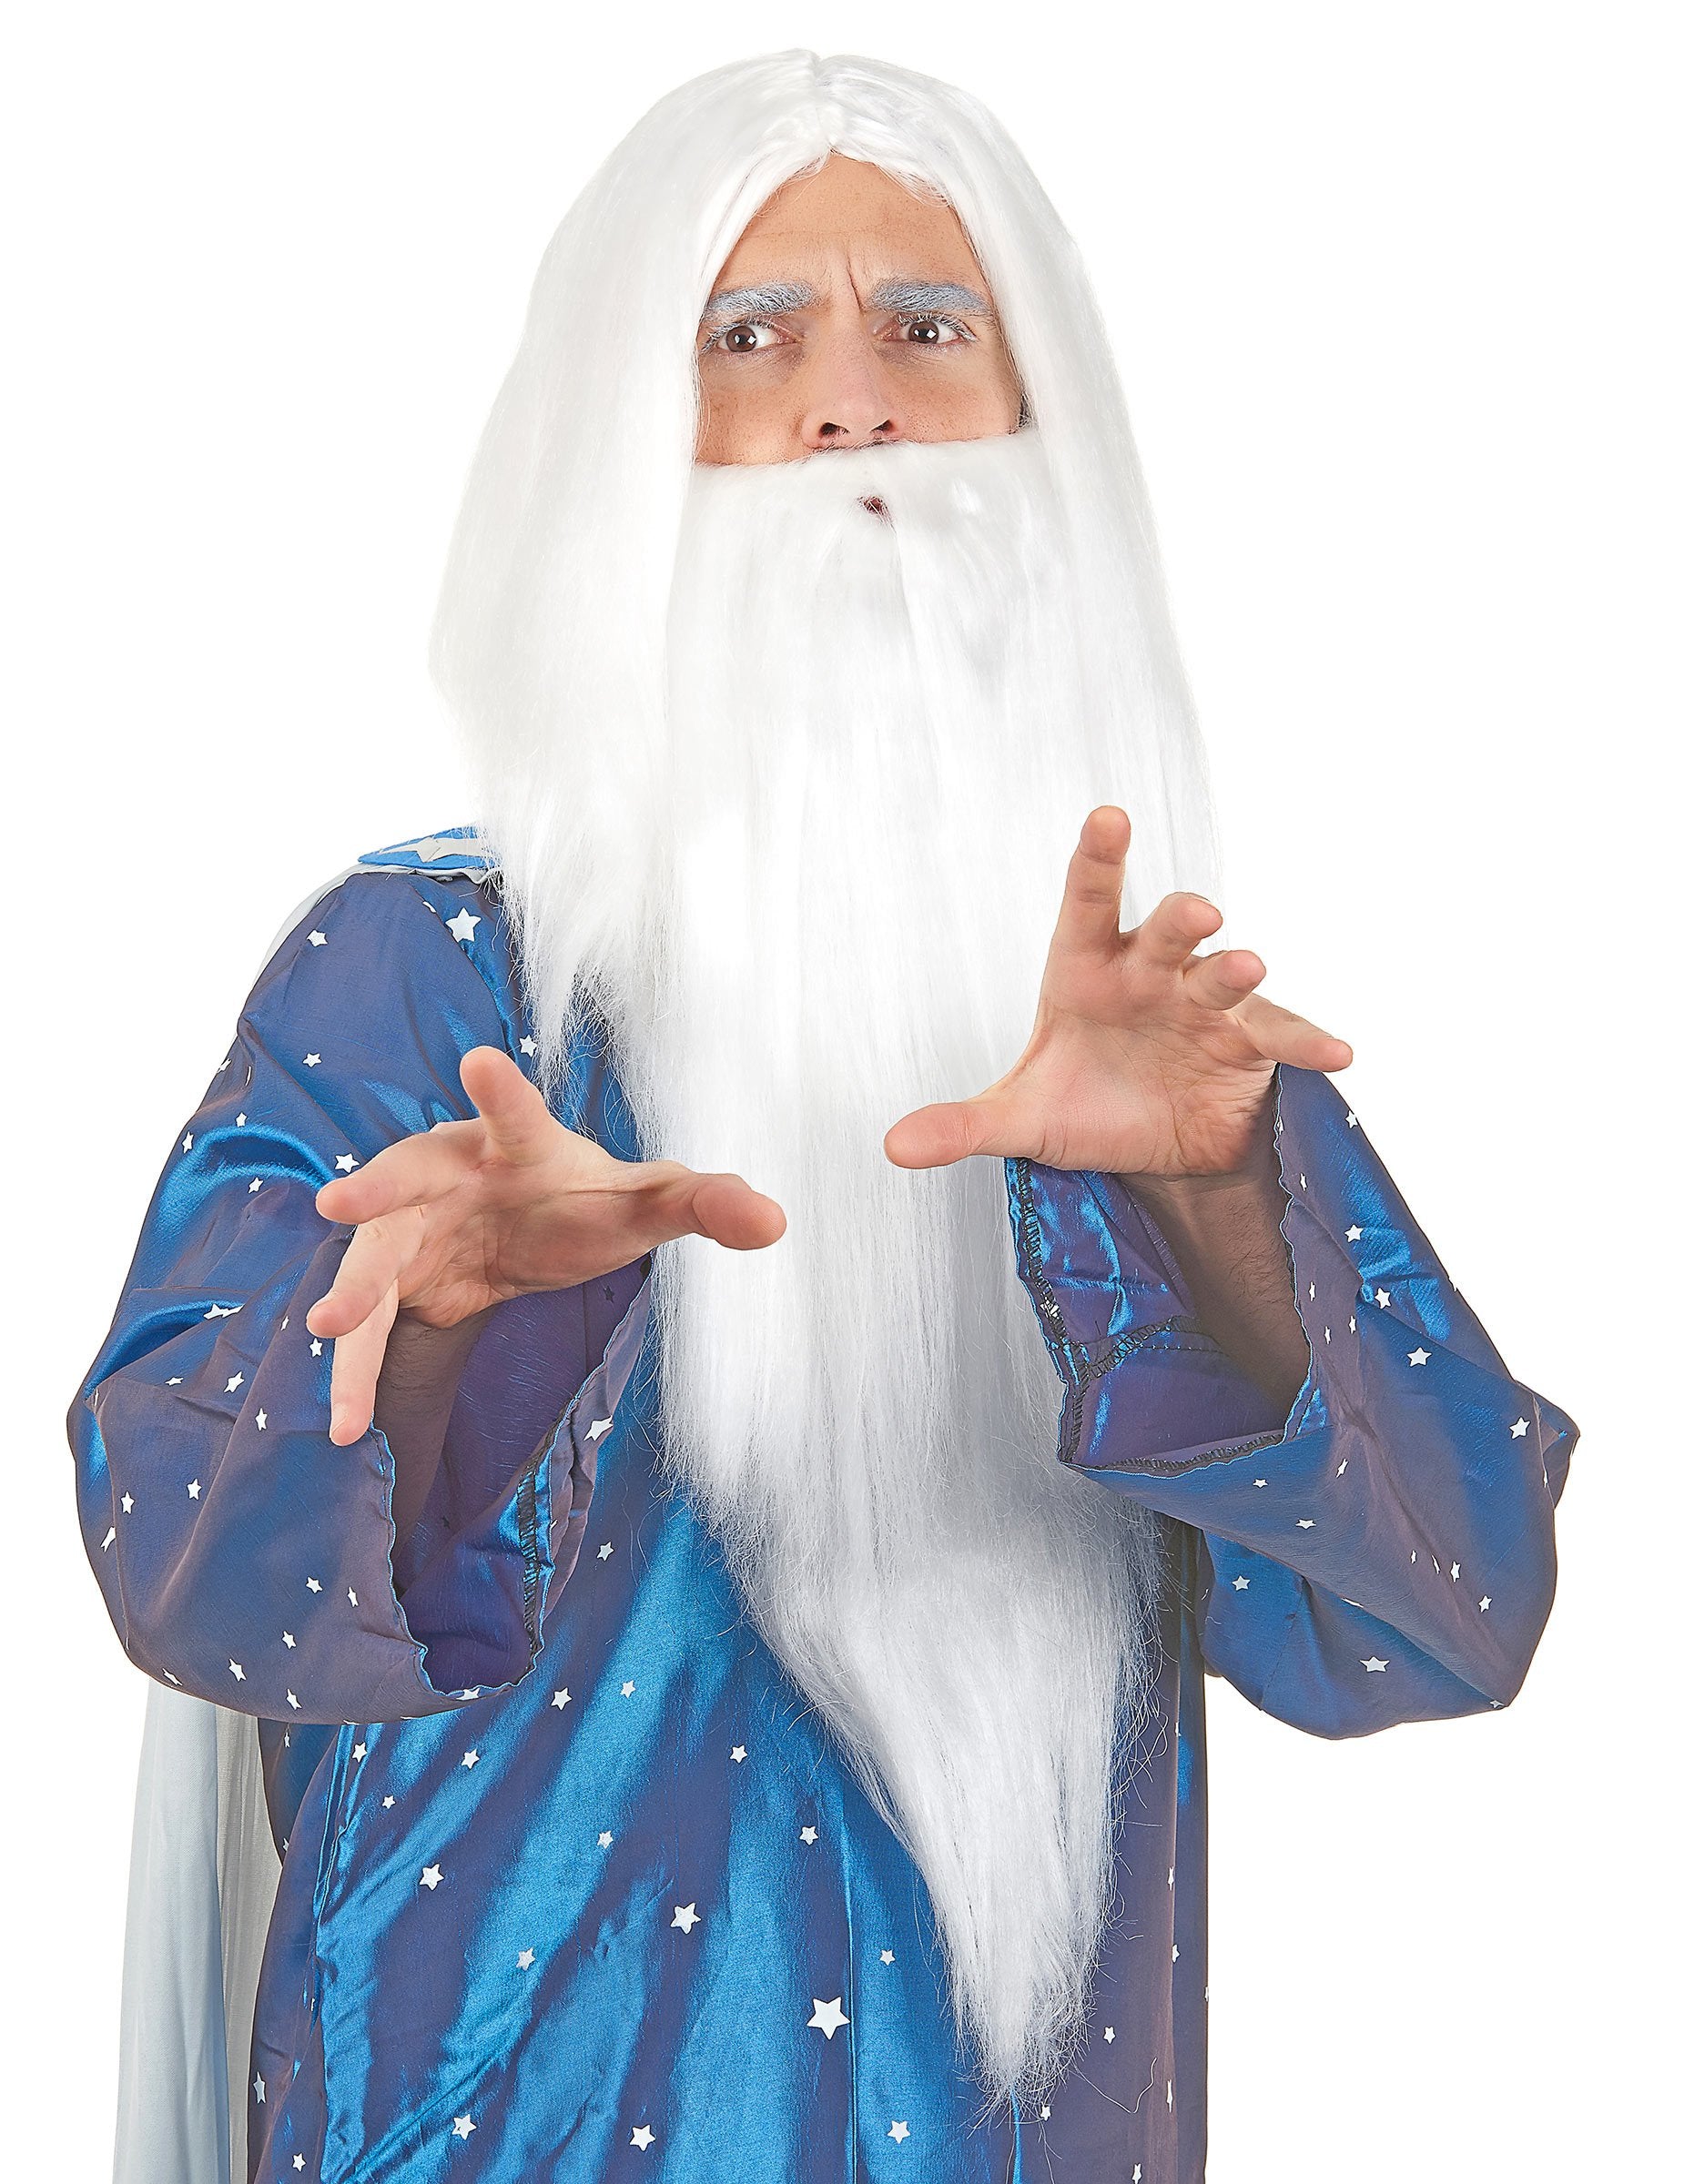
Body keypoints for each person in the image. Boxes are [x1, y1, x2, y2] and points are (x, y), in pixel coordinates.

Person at [70, 50, 1574, 2184]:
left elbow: (1442, 1614)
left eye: (928, 329)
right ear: (615, 438)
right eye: (749, 337)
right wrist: (436, 1341)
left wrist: (1206, 1212)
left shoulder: (1132, 1043)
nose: (851, 406)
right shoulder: (430, 968)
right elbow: (194, 1578)